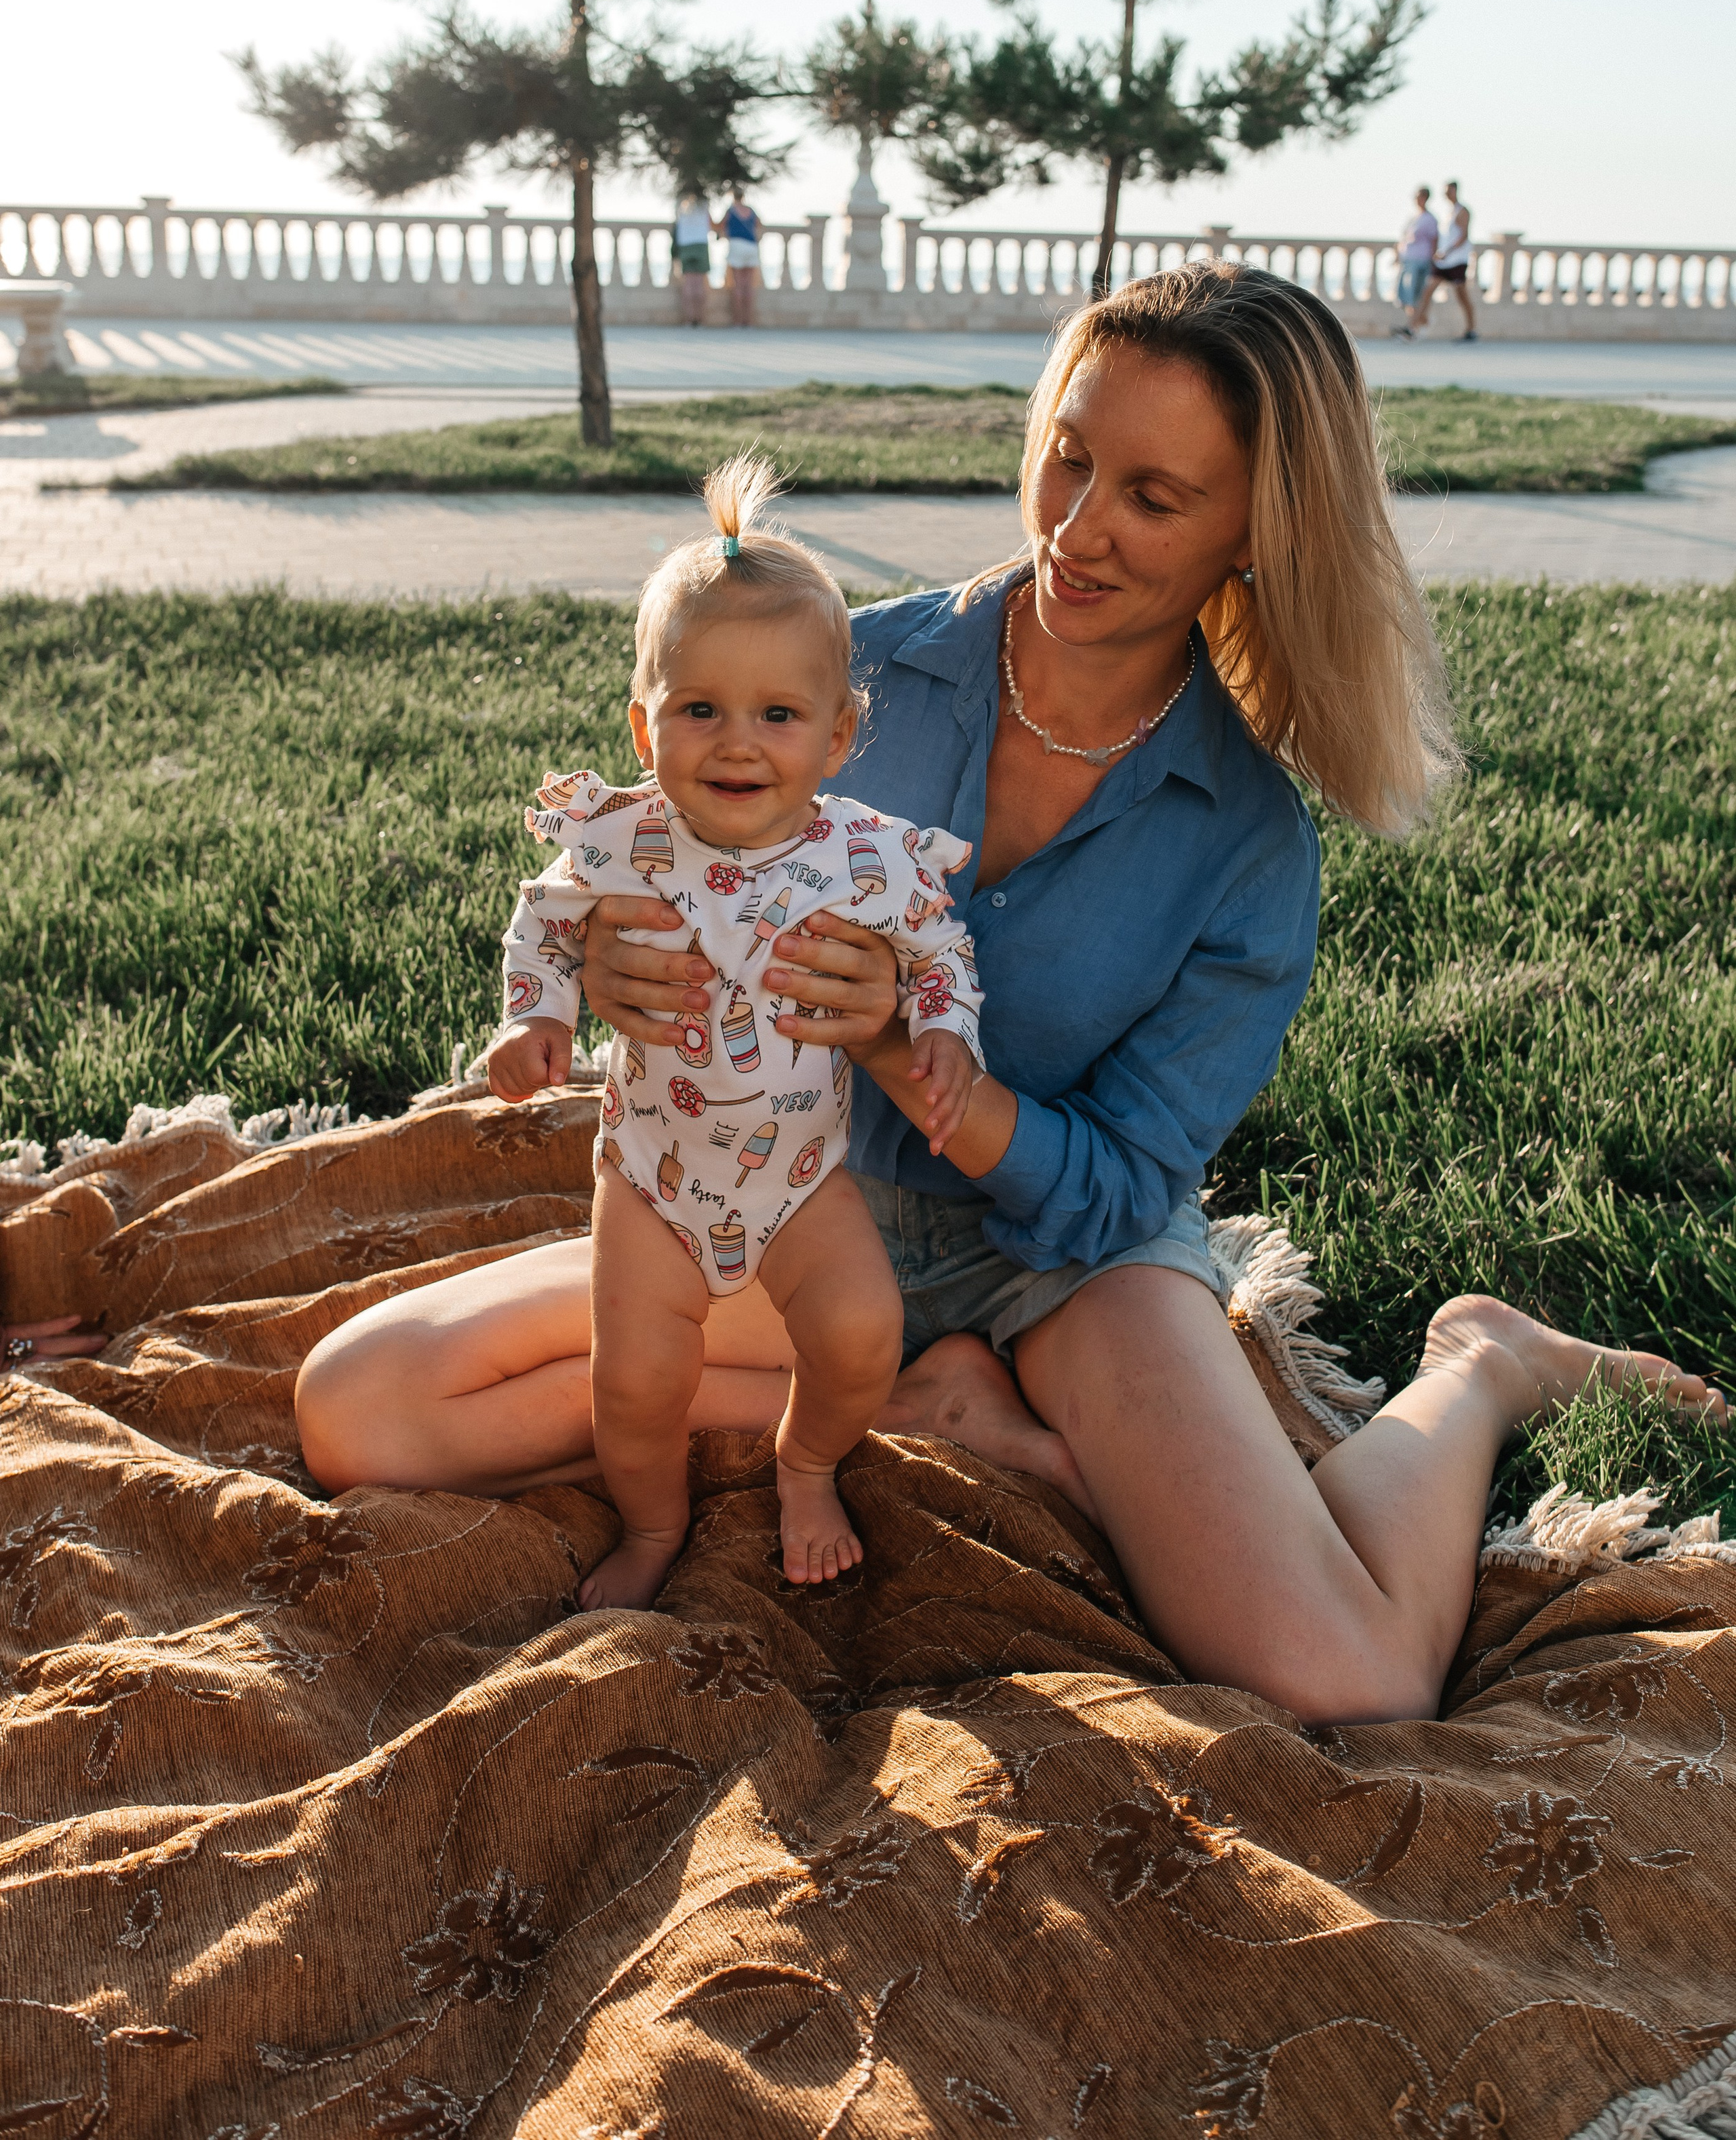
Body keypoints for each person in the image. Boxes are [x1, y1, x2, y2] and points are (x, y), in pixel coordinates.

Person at [294, 262, 1724, 1727]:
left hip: (1066, 1265)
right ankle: (914, 1412)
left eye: (1154, 500)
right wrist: (607, 967)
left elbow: (1122, 1188)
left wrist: (949, 1088)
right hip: (788, 1202)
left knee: (1345, 1678)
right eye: (1069, 457)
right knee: (363, 1407)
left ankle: (1477, 1363)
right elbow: (649, 857)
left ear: (1252, 534)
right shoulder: (842, 676)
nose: (1078, 528)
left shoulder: (1243, 843)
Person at [489, 456, 983, 1606]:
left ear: (840, 731)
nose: (737, 743)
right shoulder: (622, 840)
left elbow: (938, 945)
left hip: (802, 1178)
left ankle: (805, 1464)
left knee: (863, 1334)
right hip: (655, 1177)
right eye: (698, 709)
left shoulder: (863, 857)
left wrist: (947, 1031)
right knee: (639, 1383)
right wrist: (534, 1018)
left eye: (778, 714)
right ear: (643, 722)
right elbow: (541, 922)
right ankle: (653, 1528)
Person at [1428, 180, 1478, 340]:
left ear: (1455, 191)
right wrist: (1438, 252)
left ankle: (1471, 330)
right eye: (1445, 192)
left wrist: (1446, 252)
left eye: (1448, 191)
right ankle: (1412, 327)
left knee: (1463, 296)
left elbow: (1463, 236)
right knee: (1428, 291)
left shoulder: (1462, 211)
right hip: (1444, 262)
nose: (1446, 194)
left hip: (1457, 261)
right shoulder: (1447, 213)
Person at [1394, 185, 1438, 337]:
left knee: (1415, 294)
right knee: (1403, 295)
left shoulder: (1430, 219)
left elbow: (1434, 240)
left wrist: (1433, 261)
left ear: (1425, 198)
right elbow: (1404, 238)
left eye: (1419, 196)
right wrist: (1398, 255)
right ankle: (1422, 322)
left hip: (1421, 261)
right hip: (1407, 261)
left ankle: (1412, 327)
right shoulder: (1413, 218)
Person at [719, 189, 762, 327]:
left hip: (737, 245)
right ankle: (747, 321)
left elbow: (721, 225)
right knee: (748, 286)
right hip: (751, 246)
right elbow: (759, 224)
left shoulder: (731, 211)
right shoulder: (750, 210)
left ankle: (737, 321)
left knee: (737, 285)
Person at [671, 189, 712, 327]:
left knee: (688, 284)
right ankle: (700, 318)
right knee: (700, 284)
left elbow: (677, 227)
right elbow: (711, 224)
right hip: (701, 246)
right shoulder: (704, 208)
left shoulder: (682, 209)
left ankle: (689, 319)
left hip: (686, 246)